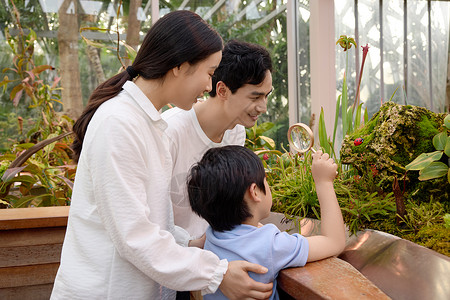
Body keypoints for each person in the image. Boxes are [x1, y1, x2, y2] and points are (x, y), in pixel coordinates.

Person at [51, 11, 273, 300]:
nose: (210, 87)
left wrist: (199, 244)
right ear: (180, 66)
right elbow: (134, 236)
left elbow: (158, 224)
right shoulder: (119, 123)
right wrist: (215, 273)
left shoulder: (148, 123)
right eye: (208, 73)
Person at [187, 145, 347, 300]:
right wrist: (324, 182)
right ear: (255, 191)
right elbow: (334, 241)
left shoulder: (211, 237)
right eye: (266, 180)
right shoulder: (270, 244)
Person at [162, 40, 273, 239]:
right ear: (222, 90)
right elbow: (154, 221)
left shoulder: (236, 132)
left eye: (266, 96)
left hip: (217, 251)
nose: (263, 107)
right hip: (177, 257)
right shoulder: (170, 132)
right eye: (255, 97)